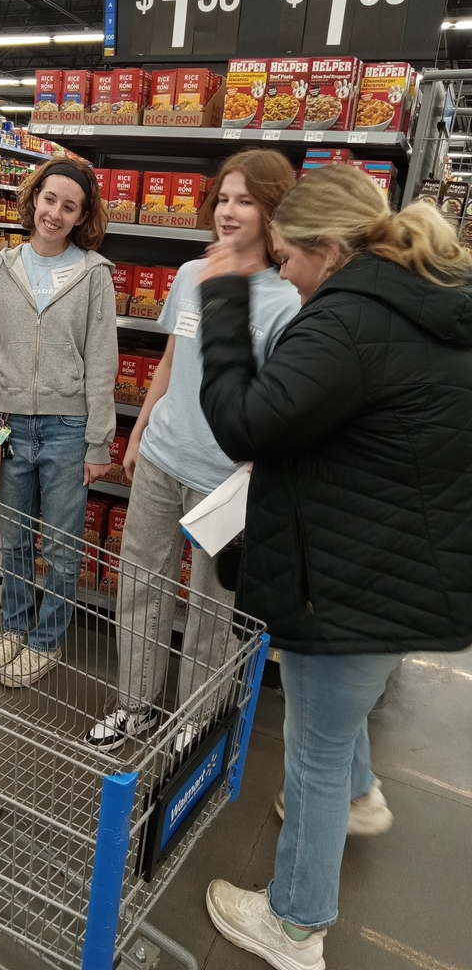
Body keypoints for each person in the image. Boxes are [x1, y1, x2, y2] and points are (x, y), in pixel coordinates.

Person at [197, 165, 472, 970]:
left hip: (347, 579)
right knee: (339, 728)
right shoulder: (432, 305)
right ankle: (360, 798)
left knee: (311, 752)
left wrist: (224, 300)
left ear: (327, 248)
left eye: (287, 256)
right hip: (404, 564)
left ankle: (294, 925)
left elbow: (246, 422)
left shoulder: (348, 320)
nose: (281, 270)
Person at [85, 150, 299, 752]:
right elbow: (174, 359)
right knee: (139, 583)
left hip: (226, 479)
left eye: (246, 201)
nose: (229, 212)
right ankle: (136, 706)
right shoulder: (188, 275)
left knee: (211, 606)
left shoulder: (286, 299)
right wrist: (144, 428)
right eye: (224, 198)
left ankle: (198, 718)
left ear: (273, 211)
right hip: (161, 457)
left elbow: (279, 405)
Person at [0, 158, 117, 689]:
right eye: (49, 199)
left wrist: (99, 441)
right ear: (33, 199)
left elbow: (102, 362)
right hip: (10, 425)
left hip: (67, 430)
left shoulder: (94, 274)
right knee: (12, 538)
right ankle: (11, 629)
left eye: (69, 206)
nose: (55, 213)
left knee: (58, 543)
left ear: (82, 217)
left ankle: (46, 640)